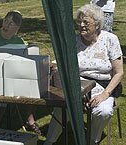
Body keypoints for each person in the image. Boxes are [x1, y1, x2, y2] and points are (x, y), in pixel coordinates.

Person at [44, 4, 123, 145]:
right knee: (63, 106)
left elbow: (118, 73)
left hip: (102, 86)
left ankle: (92, 140)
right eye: (79, 21)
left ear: (97, 24)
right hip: (77, 86)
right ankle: (49, 142)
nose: (81, 25)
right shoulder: (73, 41)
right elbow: (58, 64)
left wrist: (105, 94)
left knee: (103, 111)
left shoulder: (110, 39)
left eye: (86, 22)